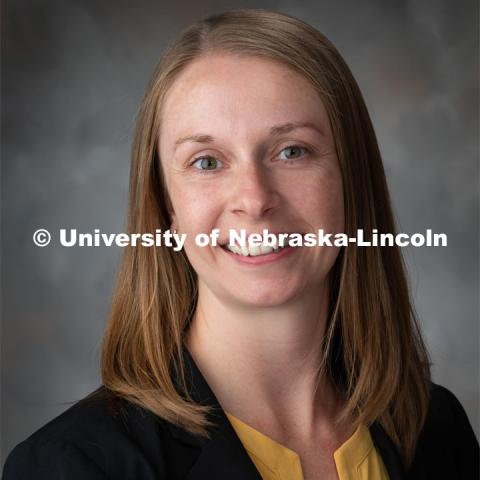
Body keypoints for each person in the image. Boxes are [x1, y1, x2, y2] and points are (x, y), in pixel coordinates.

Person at [3, 9, 478, 480]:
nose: (254, 199)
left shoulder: (436, 429)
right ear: (166, 206)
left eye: (292, 151)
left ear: (352, 179)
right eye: (207, 162)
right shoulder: (72, 466)